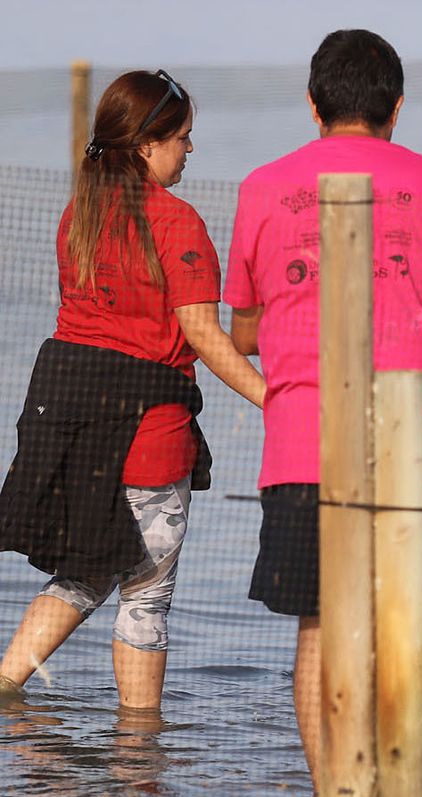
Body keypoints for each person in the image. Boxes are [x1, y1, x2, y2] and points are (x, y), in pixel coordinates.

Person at [223, 29, 422, 783]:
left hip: (305, 445)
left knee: (318, 629)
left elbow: (245, 329)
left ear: (313, 104)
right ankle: (398, 791)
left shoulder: (261, 187)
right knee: (415, 631)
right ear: (397, 107)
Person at [0, 70, 265, 709]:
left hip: (72, 428)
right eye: (182, 138)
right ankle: (140, 750)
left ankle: (5, 686)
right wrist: (279, 401)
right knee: (147, 594)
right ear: (148, 145)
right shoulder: (178, 223)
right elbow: (201, 334)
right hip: (149, 434)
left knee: (86, 571)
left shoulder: (78, 216)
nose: (190, 151)